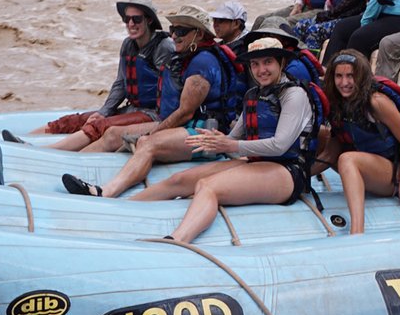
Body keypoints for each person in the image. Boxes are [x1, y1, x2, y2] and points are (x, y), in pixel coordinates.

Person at [134, 38, 321, 243]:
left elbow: (280, 145)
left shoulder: (294, 95)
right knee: (178, 180)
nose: (261, 70)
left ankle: (177, 240)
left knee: (208, 186)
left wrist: (230, 145)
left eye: (268, 62)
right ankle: (120, 208)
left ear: (281, 63)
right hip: (256, 162)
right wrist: (214, 141)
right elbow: (232, 140)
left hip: (289, 172)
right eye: (255, 64)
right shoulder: (253, 94)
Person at [61, 5, 241, 196]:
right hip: (185, 125)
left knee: (148, 144)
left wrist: (153, 132)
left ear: (198, 34)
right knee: (113, 133)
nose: (174, 36)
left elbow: (185, 112)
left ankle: (105, 192)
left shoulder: (202, 63)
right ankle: (63, 169)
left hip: (205, 132)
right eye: (172, 30)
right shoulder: (188, 56)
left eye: (181, 31)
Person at [38, 0, 179, 151]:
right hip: (133, 108)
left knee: (98, 125)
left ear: (149, 20)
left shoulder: (164, 47)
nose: (131, 23)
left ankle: (49, 151)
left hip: (154, 114)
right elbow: (121, 83)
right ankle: (29, 142)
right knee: (77, 120)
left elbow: (171, 89)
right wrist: (104, 111)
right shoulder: (128, 44)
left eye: (137, 19)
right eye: (127, 19)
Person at [314, 50, 400, 233]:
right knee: (321, 134)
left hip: (389, 174)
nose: (344, 83)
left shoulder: (377, 102)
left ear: (361, 77)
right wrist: (298, 178)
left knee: (347, 158)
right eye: (339, 76)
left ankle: (357, 232)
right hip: (366, 163)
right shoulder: (338, 102)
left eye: (350, 76)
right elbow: (329, 154)